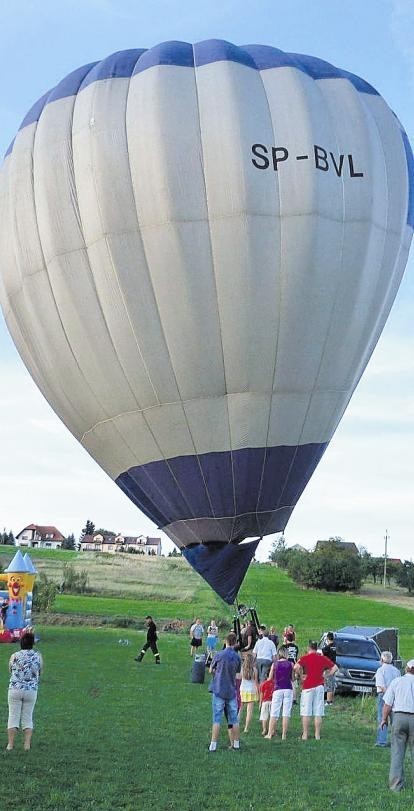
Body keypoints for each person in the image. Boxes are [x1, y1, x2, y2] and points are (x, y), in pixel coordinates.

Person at [380, 658, 414, 791]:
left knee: (397, 753)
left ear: (406, 668)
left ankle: (395, 786)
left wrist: (383, 719)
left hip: (399, 717)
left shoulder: (397, 681)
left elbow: (387, 704)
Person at [294, 640, 338, 740]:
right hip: (319, 686)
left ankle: (305, 735)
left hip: (308, 686)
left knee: (306, 711)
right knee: (318, 712)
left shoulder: (305, 658)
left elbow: (296, 667)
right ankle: (317, 735)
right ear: (316, 647)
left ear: (308, 648)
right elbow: (335, 667)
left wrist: (301, 676)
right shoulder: (322, 658)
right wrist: (326, 675)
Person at [7, 631, 43, 751]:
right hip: (31, 691)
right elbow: (40, 672)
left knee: (13, 716)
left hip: (15, 689)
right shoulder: (38, 656)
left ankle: (10, 745)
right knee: (28, 717)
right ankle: (27, 745)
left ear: (21, 643)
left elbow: (10, 670)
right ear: (33, 643)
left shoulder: (14, 656)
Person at [208, 631, 241, 752]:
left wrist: (216, 671)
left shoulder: (219, 655)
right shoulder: (237, 657)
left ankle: (213, 745)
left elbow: (211, 669)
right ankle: (236, 744)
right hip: (231, 691)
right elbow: (237, 673)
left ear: (225, 641)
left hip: (218, 689)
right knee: (234, 719)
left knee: (217, 719)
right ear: (235, 642)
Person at [266, 645, 294, 740]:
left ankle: (270, 733)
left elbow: (270, 678)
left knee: (274, 712)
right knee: (286, 713)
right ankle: (284, 735)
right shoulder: (291, 664)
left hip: (278, 688)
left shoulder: (274, 664)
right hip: (288, 688)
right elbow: (293, 678)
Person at [375, 651, 400, 747]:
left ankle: (382, 741)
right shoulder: (396, 671)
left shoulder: (380, 670)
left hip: (383, 696)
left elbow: (381, 686)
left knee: (382, 718)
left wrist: (387, 696)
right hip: (395, 697)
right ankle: (396, 741)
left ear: (381, 660)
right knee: (395, 720)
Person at [239, 652, 259, 733]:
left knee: (240, 708)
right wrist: (258, 692)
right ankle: (246, 728)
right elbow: (256, 682)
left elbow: (240, 678)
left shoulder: (242, 669)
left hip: (243, 690)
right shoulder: (254, 670)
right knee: (249, 711)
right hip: (251, 690)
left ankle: (236, 723)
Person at [322, 632, 337, 705]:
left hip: (328, 668)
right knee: (332, 683)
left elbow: (323, 652)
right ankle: (331, 700)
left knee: (328, 684)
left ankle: (328, 701)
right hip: (334, 667)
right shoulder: (335, 646)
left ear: (327, 638)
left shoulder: (327, 648)